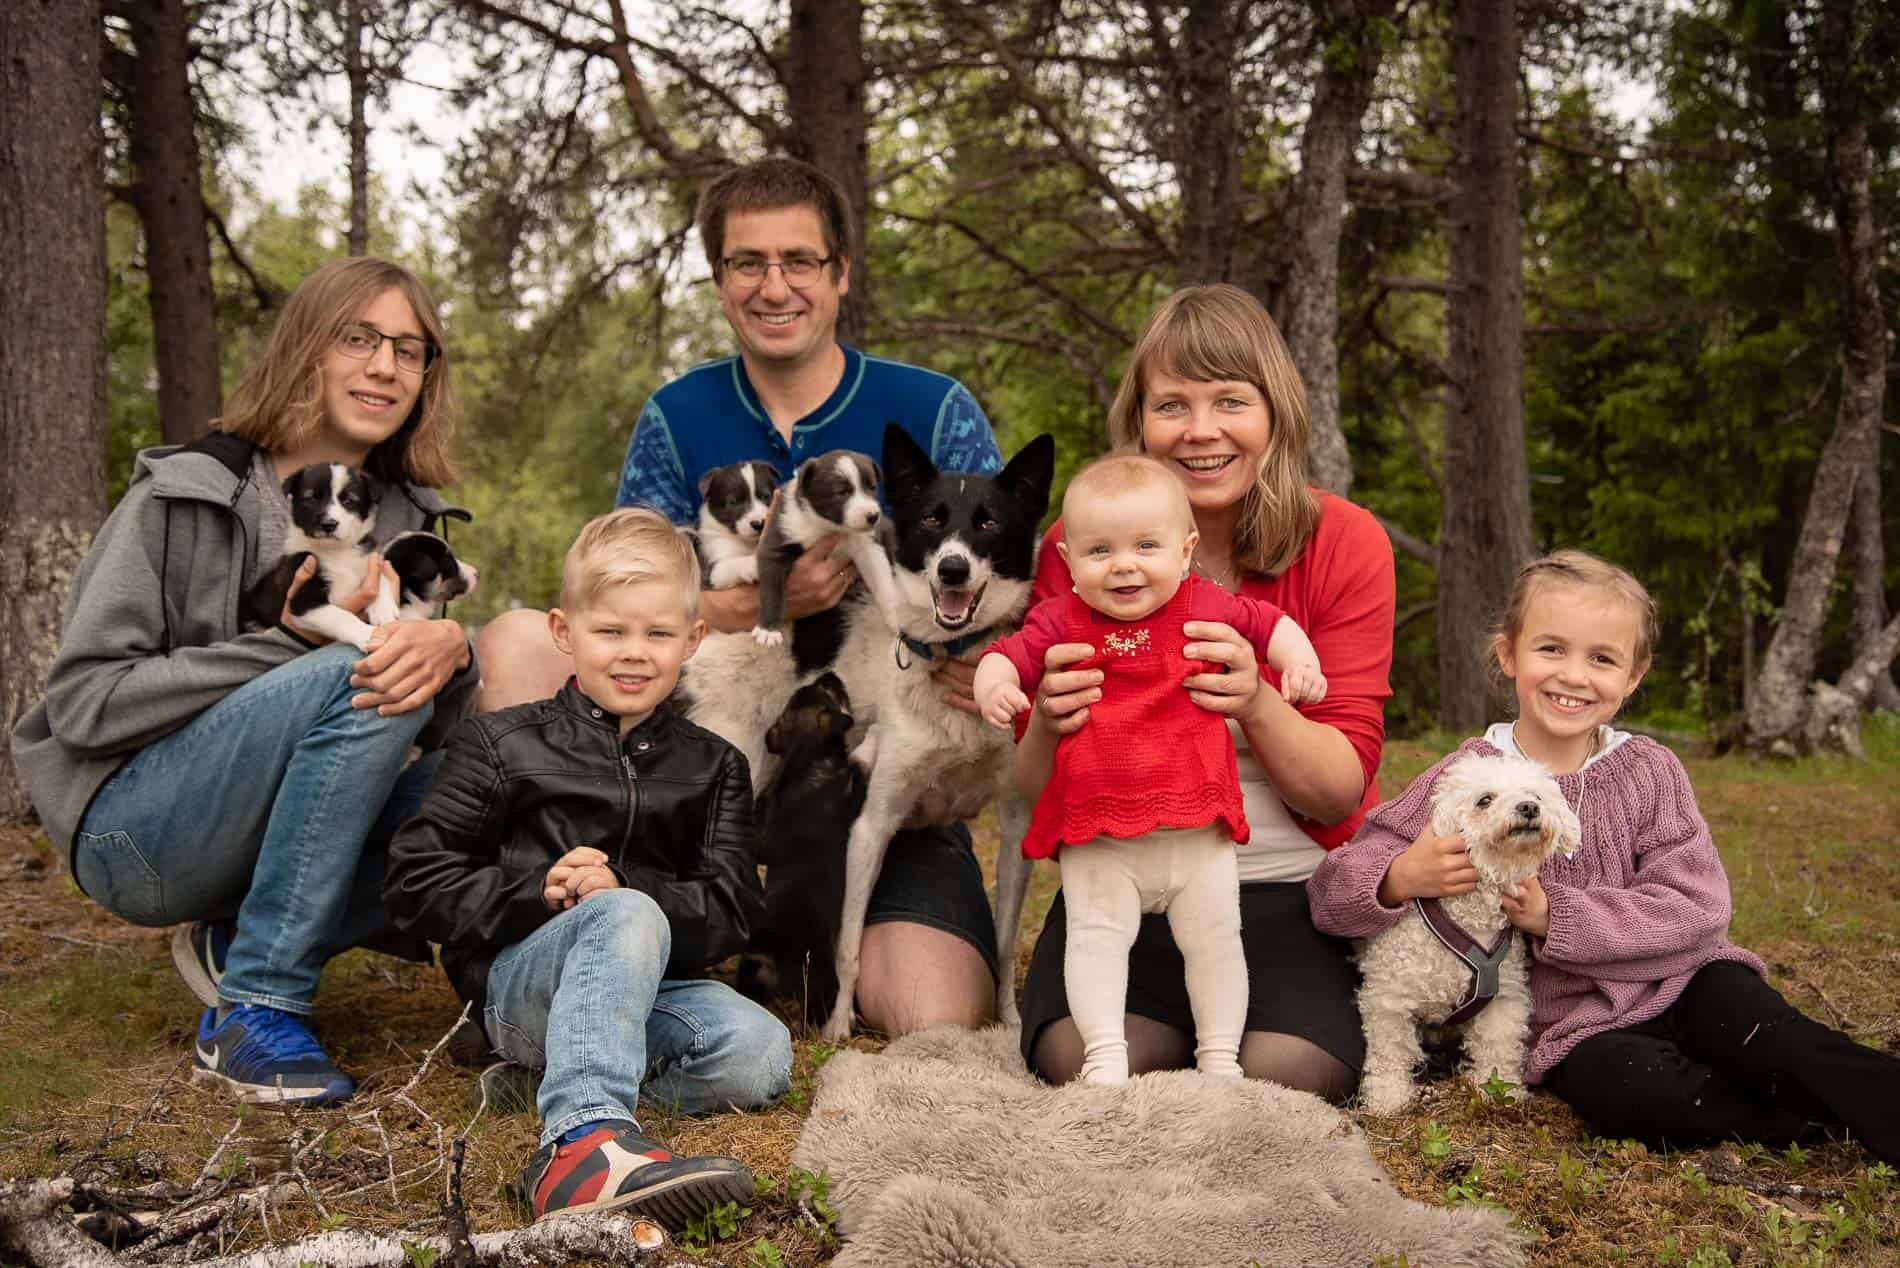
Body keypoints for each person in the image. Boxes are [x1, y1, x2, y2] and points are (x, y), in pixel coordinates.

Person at [475, 156, 1007, 1036]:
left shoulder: (930, 407)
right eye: (747, 263)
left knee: (935, 1014)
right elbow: (619, 608)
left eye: (799, 261)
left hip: (881, 773)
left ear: (840, 273)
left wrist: (976, 693)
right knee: (521, 638)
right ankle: (552, 918)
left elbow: (997, 580)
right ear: (719, 280)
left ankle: (797, 936)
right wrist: (762, 607)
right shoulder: (677, 417)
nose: (775, 287)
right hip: (703, 759)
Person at [10, 257, 480, 1106]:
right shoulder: (186, 493)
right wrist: (289, 645)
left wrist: (451, 653)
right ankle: (255, 1005)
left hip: (277, 831)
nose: (385, 366)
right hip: (137, 830)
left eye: (410, 351)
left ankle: (251, 940)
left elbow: (413, 732)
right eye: (359, 338)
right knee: (358, 665)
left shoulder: (407, 520)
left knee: (500, 771)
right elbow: (82, 704)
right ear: (307, 347)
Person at [1307, 550, 1900, 1162]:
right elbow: (1333, 889)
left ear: (1633, 678)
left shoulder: (1649, 772)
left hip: (1686, 979)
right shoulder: (1466, 775)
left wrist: (1556, 917)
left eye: (1602, 659)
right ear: (1509, 655)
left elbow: (1699, 905)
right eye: (1551, 649)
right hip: (1578, 1023)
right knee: (1626, 1095)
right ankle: (1806, 1124)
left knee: (1768, 1034)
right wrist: (1396, 877)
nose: (1574, 676)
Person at [1014, 284, 1396, 1098]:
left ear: (1276, 416)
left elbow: (1338, 793)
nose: (1201, 431)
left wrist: (1254, 698)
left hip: (1284, 883)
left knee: (1287, 1073)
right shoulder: (1079, 548)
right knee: (1079, 1059)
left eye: (1231, 401)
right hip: (1117, 864)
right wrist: (1046, 723)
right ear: (1139, 422)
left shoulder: (1343, 542)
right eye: (1171, 405)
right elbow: (1026, 785)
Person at [384, 508, 790, 1225]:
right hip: (521, 990)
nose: (634, 653)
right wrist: (538, 892)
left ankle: (540, 1084)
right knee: (622, 912)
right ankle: (578, 1145)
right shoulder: (502, 744)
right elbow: (414, 881)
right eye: (611, 631)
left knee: (759, 1055)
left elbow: (733, 909)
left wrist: (630, 888)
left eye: (658, 634)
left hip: (650, 993)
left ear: (693, 640)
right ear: (564, 632)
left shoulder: (715, 765)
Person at [974, 453, 1326, 1083]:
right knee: (1094, 941)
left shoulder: (1203, 604)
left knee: (1217, 942)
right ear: (1069, 563)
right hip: (1101, 834)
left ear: (1184, 551)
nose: (1124, 565)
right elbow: (1006, 656)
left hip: (1198, 829)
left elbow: (1273, 625)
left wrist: (1299, 664)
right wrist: (993, 686)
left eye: (1145, 545)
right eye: (1100, 551)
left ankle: (1220, 1057)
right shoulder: (1061, 620)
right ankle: (1106, 1055)